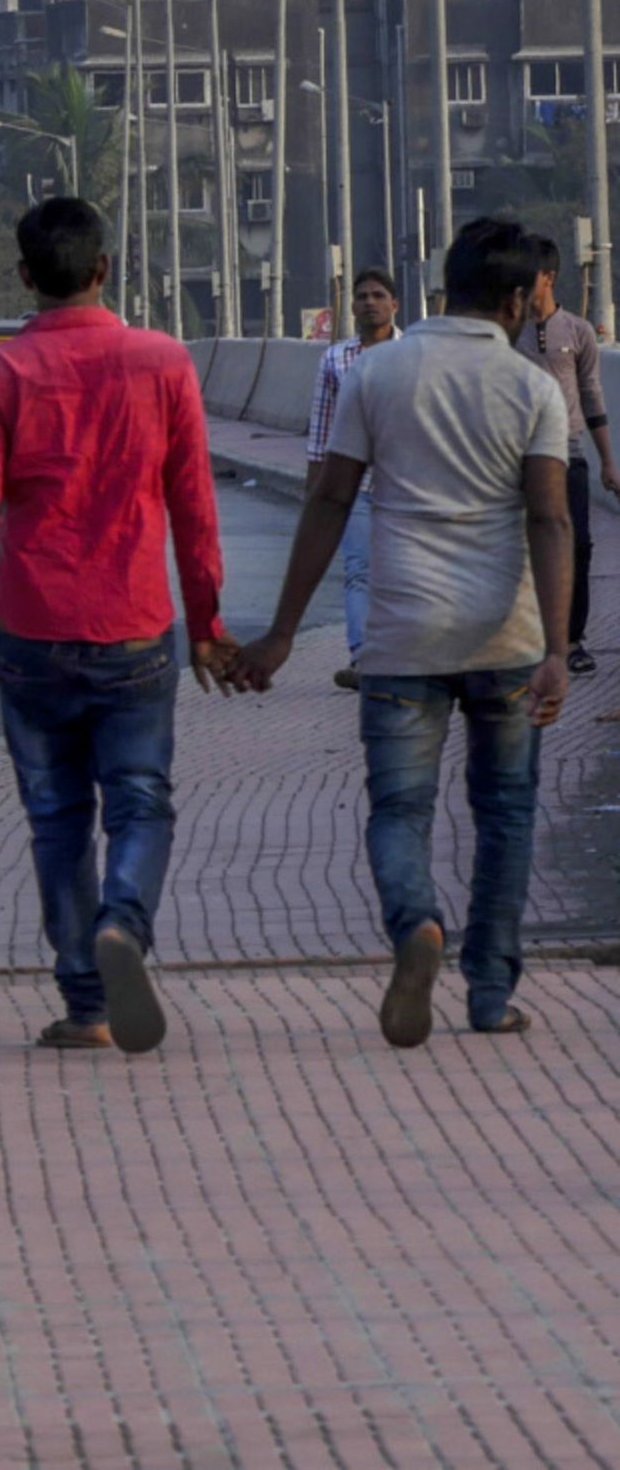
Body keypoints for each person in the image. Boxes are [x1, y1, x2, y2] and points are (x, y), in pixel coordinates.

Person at [234, 217, 574, 1043]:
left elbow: (327, 499)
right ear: (511, 298)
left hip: (399, 635)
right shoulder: (531, 388)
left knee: (397, 810)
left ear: (440, 285)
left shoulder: (377, 372)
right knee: (503, 816)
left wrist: (281, 631)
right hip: (504, 638)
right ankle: (489, 994)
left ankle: (416, 925)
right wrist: (557, 649)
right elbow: (550, 518)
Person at [0, 197, 234, 1055]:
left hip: (28, 631)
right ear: (105, 268)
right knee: (140, 803)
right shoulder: (163, 362)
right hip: (135, 627)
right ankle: (123, 924)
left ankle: (86, 1004)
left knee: (57, 818)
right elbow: (193, 511)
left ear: (24, 277)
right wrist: (206, 620)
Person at [517, 240, 611, 678]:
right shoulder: (508, 331)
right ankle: (531, 641)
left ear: (549, 277)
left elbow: (592, 395)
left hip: (569, 453)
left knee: (580, 547)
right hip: (519, 456)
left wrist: (608, 460)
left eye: (529, 274)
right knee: (524, 549)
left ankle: (573, 640)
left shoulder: (577, 331)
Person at [308, 269, 400, 687]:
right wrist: (317, 494)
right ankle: (363, 658)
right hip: (356, 486)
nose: (369, 302)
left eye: (378, 295)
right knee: (360, 570)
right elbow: (320, 431)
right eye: (362, 296)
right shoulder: (335, 359)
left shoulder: (416, 354)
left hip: (406, 487)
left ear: (394, 305)